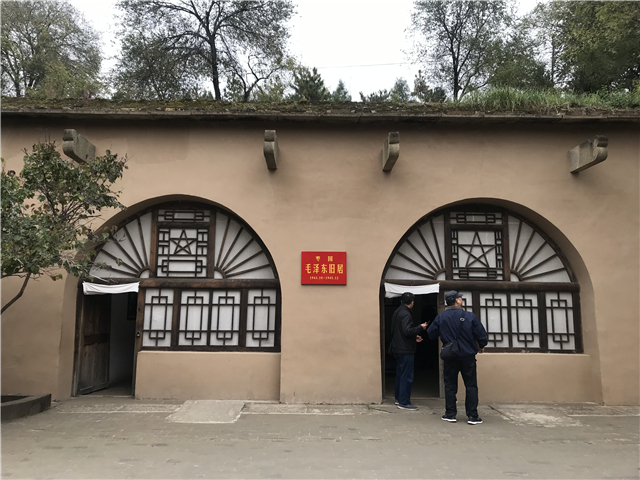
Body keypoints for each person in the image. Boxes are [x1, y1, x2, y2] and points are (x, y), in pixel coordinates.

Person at [427, 290, 488, 425]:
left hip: (450, 356)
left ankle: (450, 414)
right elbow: (481, 334)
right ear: (457, 300)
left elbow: (431, 334)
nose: (461, 299)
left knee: (450, 385)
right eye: (460, 298)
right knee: (471, 385)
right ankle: (472, 416)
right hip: (468, 356)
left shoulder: (441, 317)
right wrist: (481, 345)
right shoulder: (470, 316)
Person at [389, 292, 427, 410]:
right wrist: (420, 327)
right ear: (412, 302)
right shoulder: (406, 313)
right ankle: (404, 402)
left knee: (400, 374)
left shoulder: (397, 311)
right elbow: (407, 330)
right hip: (405, 349)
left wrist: (413, 337)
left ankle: (398, 398)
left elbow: (399, 331)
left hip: (397, 347)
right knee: (406, 375)